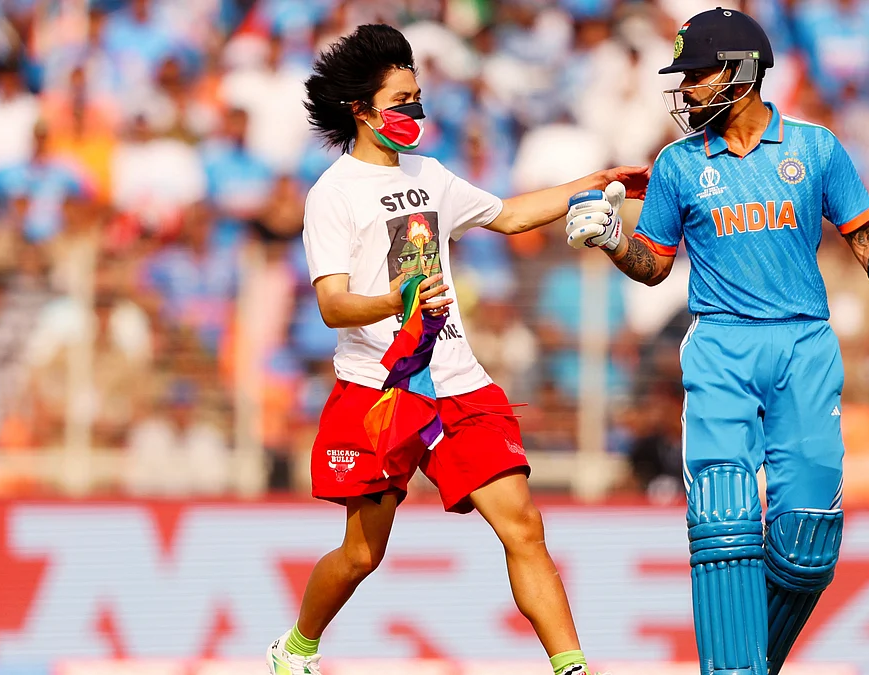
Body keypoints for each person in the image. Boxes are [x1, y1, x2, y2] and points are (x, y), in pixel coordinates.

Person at [563, 9, 869, 674]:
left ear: (744, 72)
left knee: (810, 543)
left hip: (804, 347)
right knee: (722, 521)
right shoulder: (678, 165)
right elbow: (655, 263)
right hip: (720, 346)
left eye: (698, 73)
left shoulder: (815, 150)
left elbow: (868, 236)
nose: (687, 88)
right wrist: (610, 238)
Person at [268, 24, 647, 675]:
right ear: (360, 109)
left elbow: (510, 215)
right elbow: (332, 304)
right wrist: (398, 300)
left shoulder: (431, 175)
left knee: (523, 526)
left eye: (418, 97)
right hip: (379, 392)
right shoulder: (332, 193)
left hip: (459, 388)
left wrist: (593, 181)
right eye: (401, 100)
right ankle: (297, 646)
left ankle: (572, 667)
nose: (415, 111)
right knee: (361, 553)